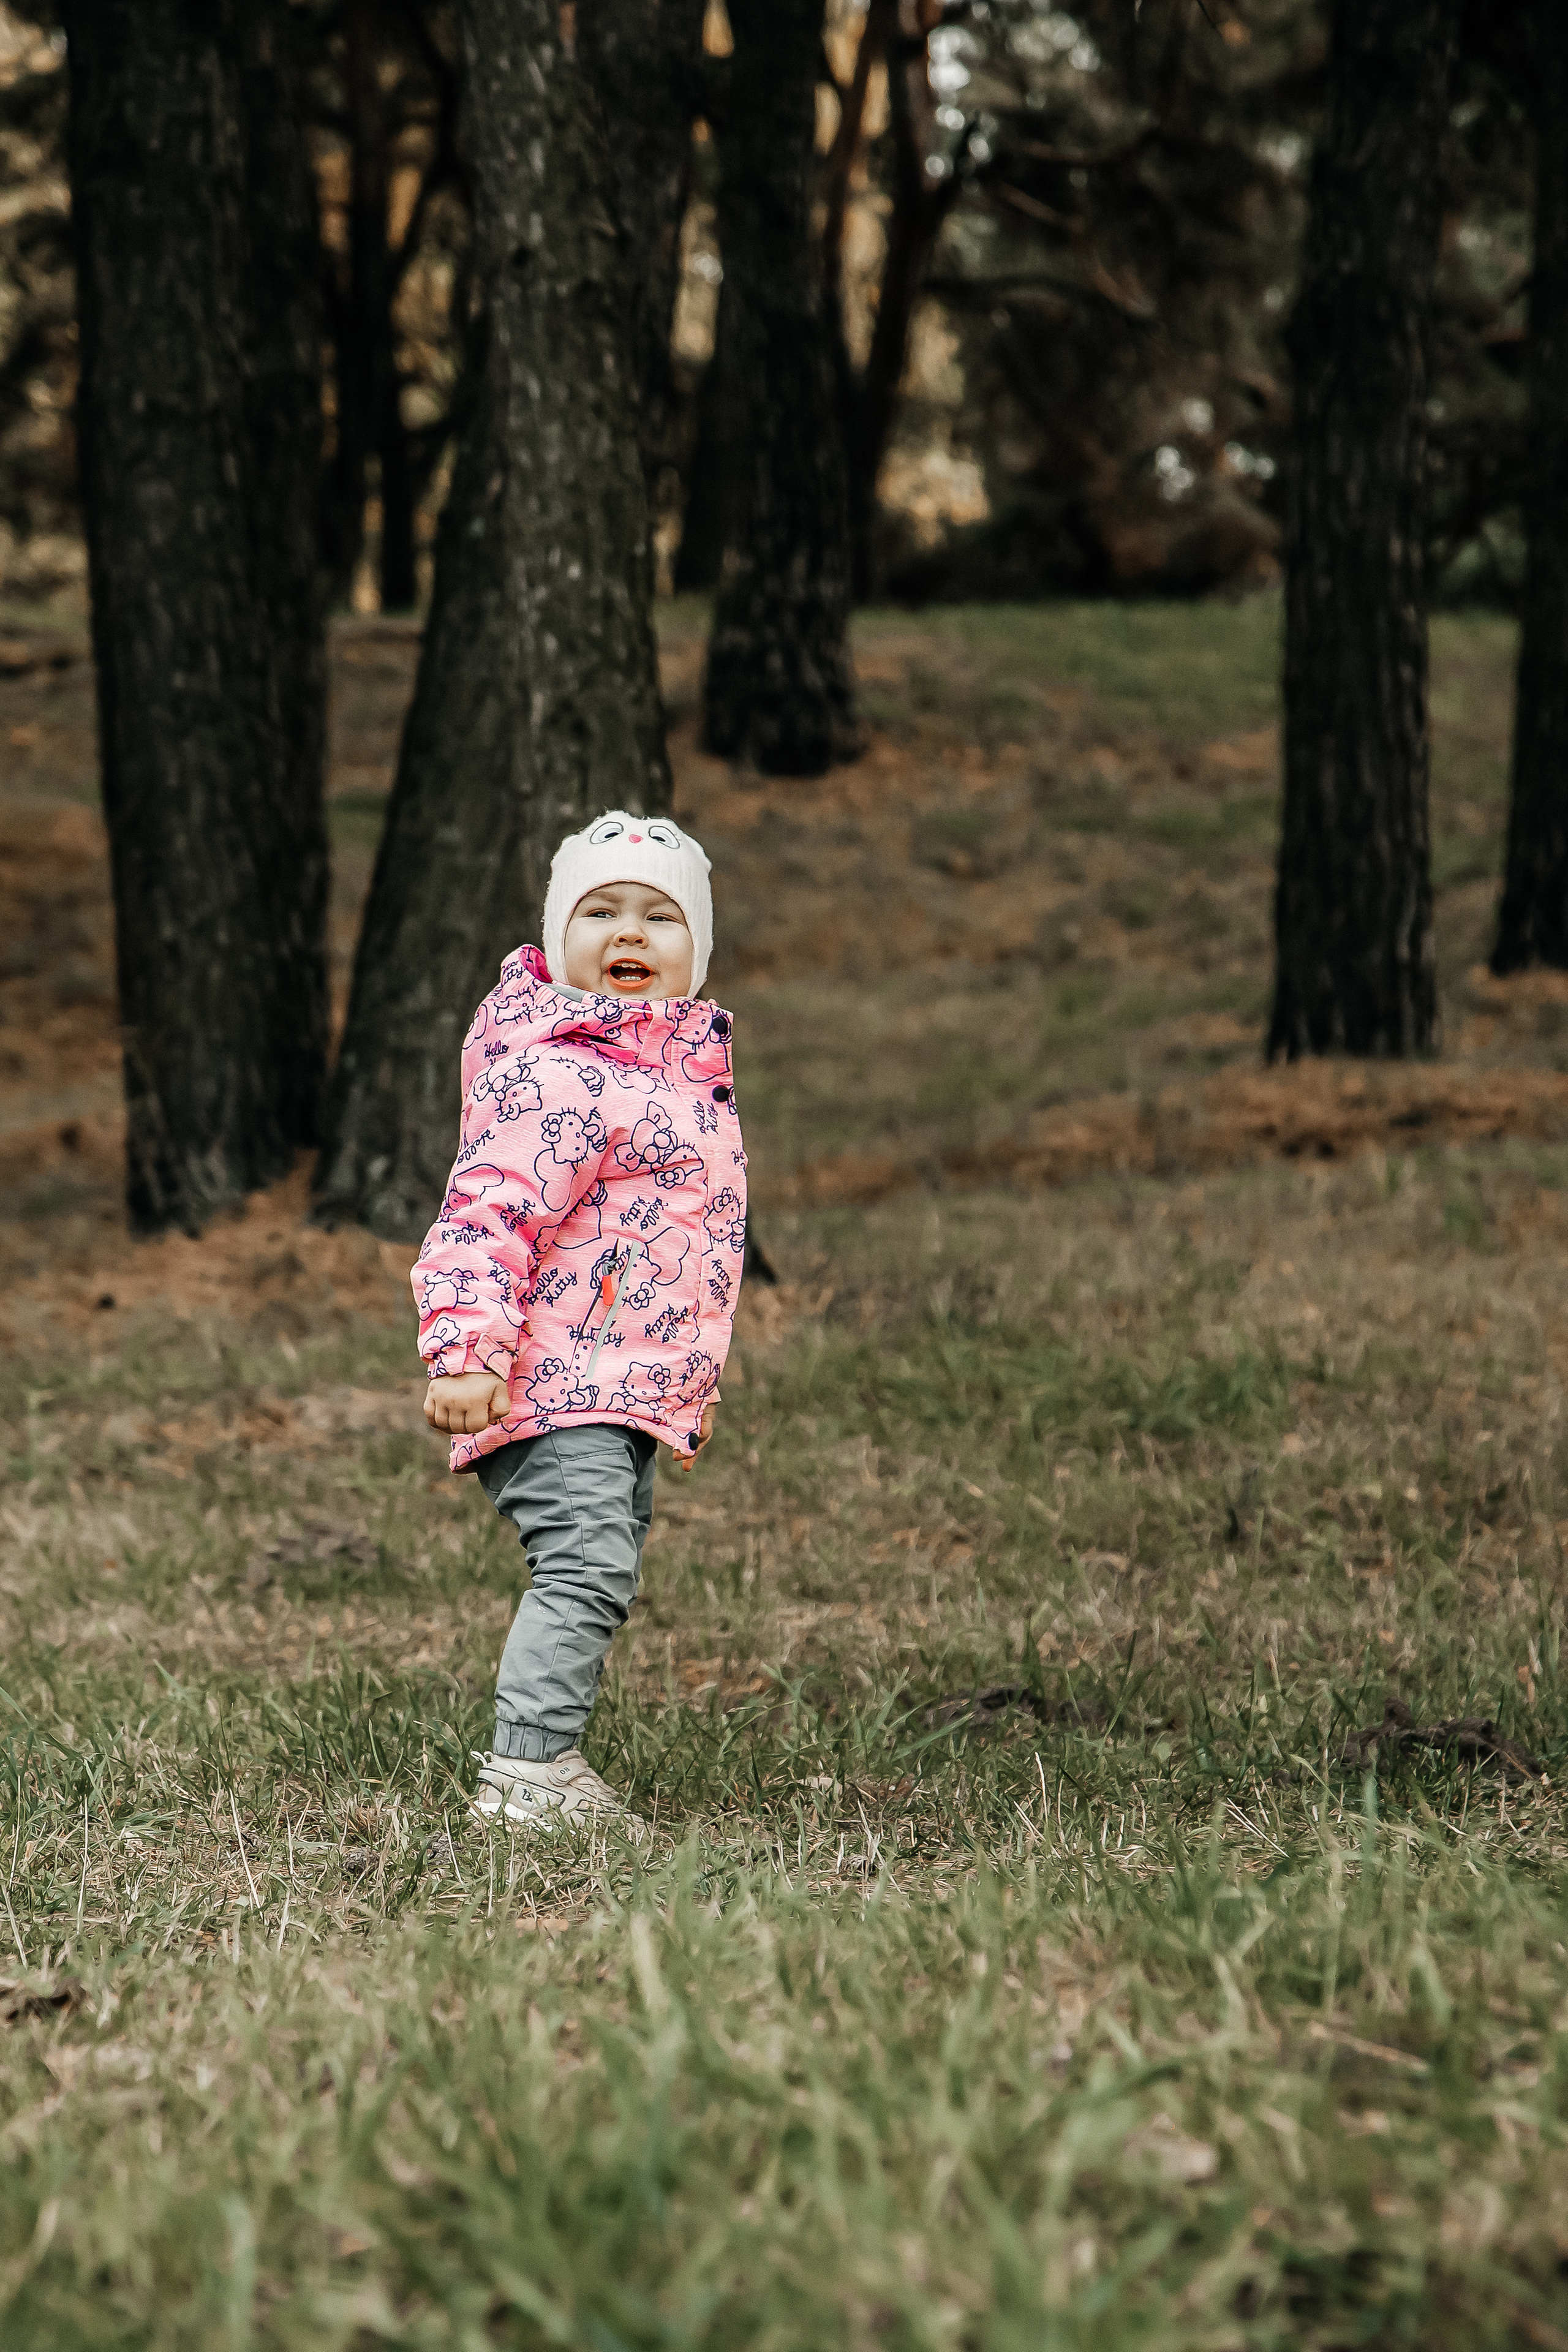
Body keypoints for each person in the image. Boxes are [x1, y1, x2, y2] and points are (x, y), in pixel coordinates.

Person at [413, 812, 747, 1831]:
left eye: (660, 917)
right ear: (560, 938)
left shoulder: (675, 1073)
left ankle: (542, 1761)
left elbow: (680, 1254)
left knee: (609, 1560)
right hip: (544, 1381)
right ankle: (529, 1773)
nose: (630, 935)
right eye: (600, 912)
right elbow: (484, 1216)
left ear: (697, 950)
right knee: (587, 1561)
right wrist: (466, 1351)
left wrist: (684, 1386)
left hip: (616, 1386)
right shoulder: (556, 1069)